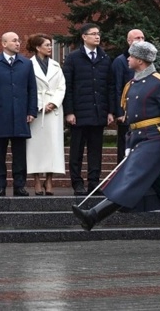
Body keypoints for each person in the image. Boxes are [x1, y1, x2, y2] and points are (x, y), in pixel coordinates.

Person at [72, 41, 160, 251]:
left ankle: (94, 216)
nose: (127, 58)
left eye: (131, 56)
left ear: (141, 60)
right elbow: (133, 119)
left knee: (130, 179)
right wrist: (130, 142)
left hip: (155, 141)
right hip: (140, 141)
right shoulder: (134, 84)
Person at [0, 32, 37, 197]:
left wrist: (31, 111)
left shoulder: (26, 64)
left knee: (19, 153)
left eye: (19, 40)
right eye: (14, 41)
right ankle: (0, 185)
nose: (18, 43)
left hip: (20, 114)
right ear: (4, 44)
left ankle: (19, 185)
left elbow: (32, 89)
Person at [63, 23, 115, 196]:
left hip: (98, 112)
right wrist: (69, 111)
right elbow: (67, 86)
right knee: (76, 150)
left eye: (98, 34)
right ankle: (77, 183)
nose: (97, 37)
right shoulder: (73, 58)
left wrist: (110, 111)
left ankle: (94, 182)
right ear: (84, 37)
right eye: (93, 34)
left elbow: (109, 86)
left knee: (95, 151)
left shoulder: (104, 58)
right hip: (78, 114)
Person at [26, 34, 66, 195]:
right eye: (47, 45)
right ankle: (36, 180)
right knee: (35, 147)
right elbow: (27, 87)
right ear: (38, 47)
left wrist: (53, 103)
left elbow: (61, 87)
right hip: (36, 111)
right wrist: (39, 104)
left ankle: (49, 180)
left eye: (50, 45)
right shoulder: (28, 65)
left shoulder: (56, 65)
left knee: (53, 147)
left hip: (53, 111)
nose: (50, 47)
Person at [112, 29, 145, 163]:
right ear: (129, 41)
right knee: (125, 148)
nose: (141, 40)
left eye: (143, 38)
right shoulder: (120, 61)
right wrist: (120, 112)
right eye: (137, 38)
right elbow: (117, 87)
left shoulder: (146, 62)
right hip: (127, 113)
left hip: (143, 113)